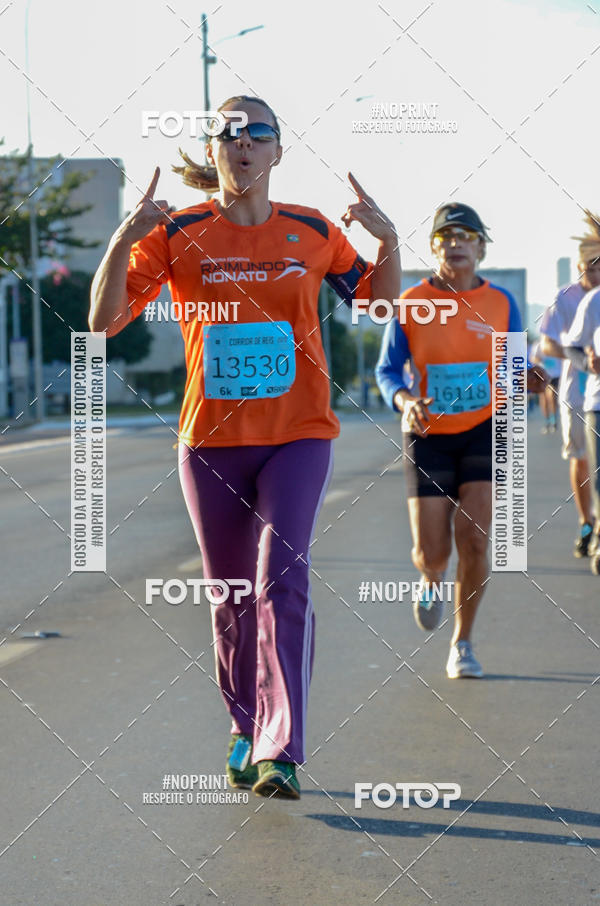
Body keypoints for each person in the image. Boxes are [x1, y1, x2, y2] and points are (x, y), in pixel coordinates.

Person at [89, 95, 400, 799]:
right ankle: (244, 723)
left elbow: (378, 307)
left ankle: (279, 748)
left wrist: (389, 242)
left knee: (279, 578)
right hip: (212, 441)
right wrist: (120, 239)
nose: (244, 142)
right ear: (214, 151)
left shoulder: (313, 230)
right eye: (229, 133)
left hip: (299, 434)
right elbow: (102, 324)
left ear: (278, 151)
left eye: (258, 132)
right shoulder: (178, 233)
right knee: (229, 595)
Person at [375, 203, 545, 679]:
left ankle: (462, 642)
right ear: (433, 249)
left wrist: (529, 377)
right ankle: (430, 578)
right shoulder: (412, 302)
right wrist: (404, 399)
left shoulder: (502, 303)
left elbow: (513, 367)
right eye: (445, 237)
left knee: (474, 539)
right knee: (433, 553)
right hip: (428, 432)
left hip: (484, 429)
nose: (455, 244)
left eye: (465, 236)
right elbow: (387, 370)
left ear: (481, 248)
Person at [539, 210, 600, 558]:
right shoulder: (565, 298)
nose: (594, 272)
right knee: (580, 459)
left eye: (599, 266)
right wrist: (578, 354)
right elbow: (547, 344)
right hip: (577, 391)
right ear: (579, 266)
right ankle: (586, 521)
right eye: (588, 267)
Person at [563, 212, 600, 574]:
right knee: (585, 463)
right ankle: (590, 523)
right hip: (586, 398)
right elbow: (563, 345)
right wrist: (588, 362)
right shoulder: (580, 300)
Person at [530, 338, 560, 433]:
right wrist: (540, 360)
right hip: (542, 375)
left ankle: (553, 421)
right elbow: (532, 358)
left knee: (552, 397)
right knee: (544, 399)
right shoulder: (538, 345)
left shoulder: (558, 342)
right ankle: (547, 421)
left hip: (555, 375)